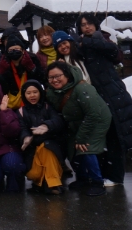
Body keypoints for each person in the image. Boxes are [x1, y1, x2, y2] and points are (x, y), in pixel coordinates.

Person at [75, 14, 132, 187]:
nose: (87, 27)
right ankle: (103, 174)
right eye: (83, 25)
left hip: (112, 93)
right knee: (102, 136)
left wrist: (90, 42)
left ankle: (116, 177)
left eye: (89, 23)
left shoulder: (103, 39)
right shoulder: (79, 44)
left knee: (116, 135)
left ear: (96, 25)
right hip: (96, 94)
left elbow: (115, 53)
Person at [44, 62, 111, 196]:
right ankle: (82, 178)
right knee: (71, 149)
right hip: (77, 123)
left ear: (67, 75)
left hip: (96, 121)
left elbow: (93, 113)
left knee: (85, 148)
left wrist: (81, 137)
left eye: (58, 76)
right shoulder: (54, 91)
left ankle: (97, 182)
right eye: (51, 77)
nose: (54, 80)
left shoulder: (82, 88)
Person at [17, 80, 65, 195]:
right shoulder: (21, 111)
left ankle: (52, 184)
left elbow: (58, 121)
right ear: (24, 95)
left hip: (51, 145)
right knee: (34, 172)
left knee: (46, 148)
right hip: (32, 149)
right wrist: (26, 138)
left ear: (40, 92)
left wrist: (46, 126)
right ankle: (44, 183)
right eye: (28, 93)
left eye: (35, 92)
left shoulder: (48, 107)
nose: (32, 95)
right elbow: (22, 128)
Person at [0, 33, 44, 109]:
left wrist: (32, 68)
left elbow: (41, 79)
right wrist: (2, 73)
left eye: (17, 49)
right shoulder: (4, 64)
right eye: (11, 50)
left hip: (33, 99)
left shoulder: (32, 59)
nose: (14, 51)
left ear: (23, 50)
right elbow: (3, 88)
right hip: (14, 103)